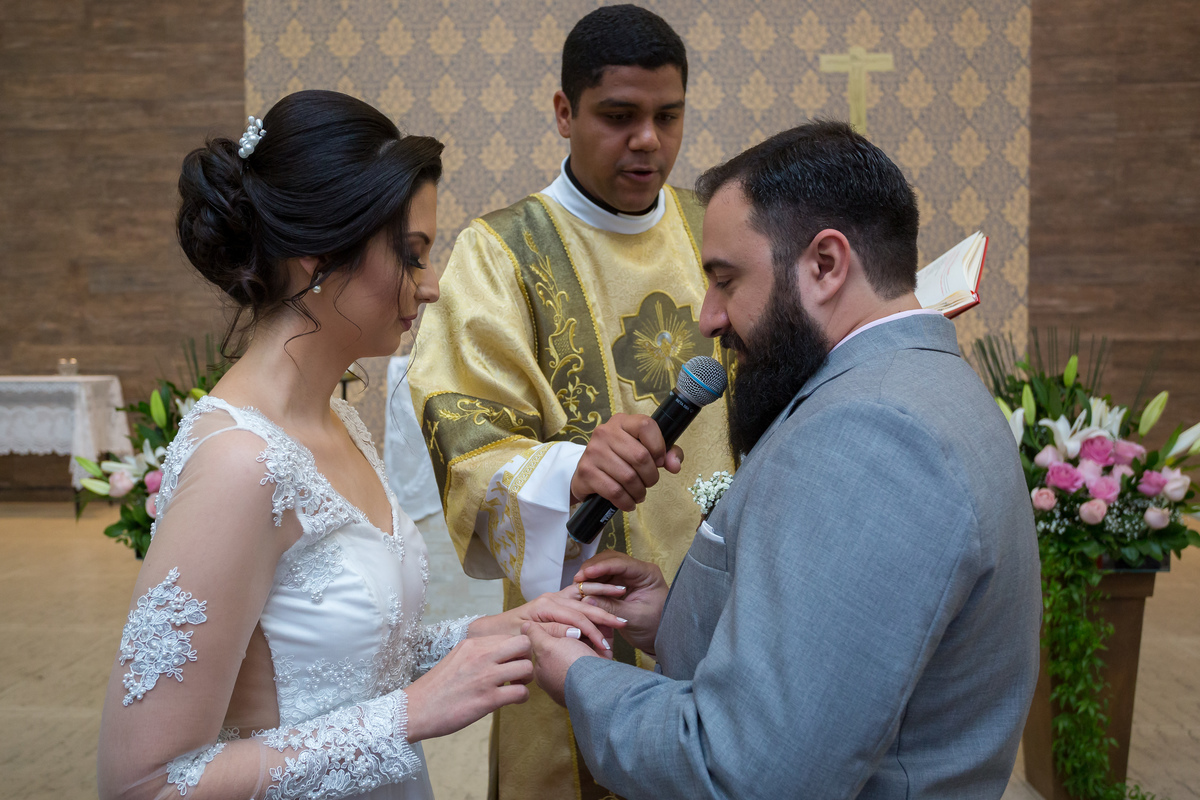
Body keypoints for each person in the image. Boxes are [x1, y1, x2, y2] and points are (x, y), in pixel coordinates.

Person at [95, 90, 622, 800]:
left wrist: (498, 632)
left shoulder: (339, 422)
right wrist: (407, 717)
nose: (431, 287)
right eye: (412, 255)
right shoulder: (240, 463)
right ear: (317, 255)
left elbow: (349, 663)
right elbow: (145, 783)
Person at [524, 121, 1043, 799]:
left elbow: (747, 773)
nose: (709, 318)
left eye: (726, 280)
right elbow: (851, 656)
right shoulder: (920, 383)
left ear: (825, 265)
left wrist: (578, 677)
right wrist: (682, 615)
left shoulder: (872, 434)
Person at [408, 6, 735, 798]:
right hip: (582, 615)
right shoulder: (501, 251)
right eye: (619, 116)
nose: (647, 140)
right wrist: (571, 468)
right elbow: (464, 433)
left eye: (668, 116)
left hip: (730, 604)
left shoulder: (717, 231)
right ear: (564, 111)